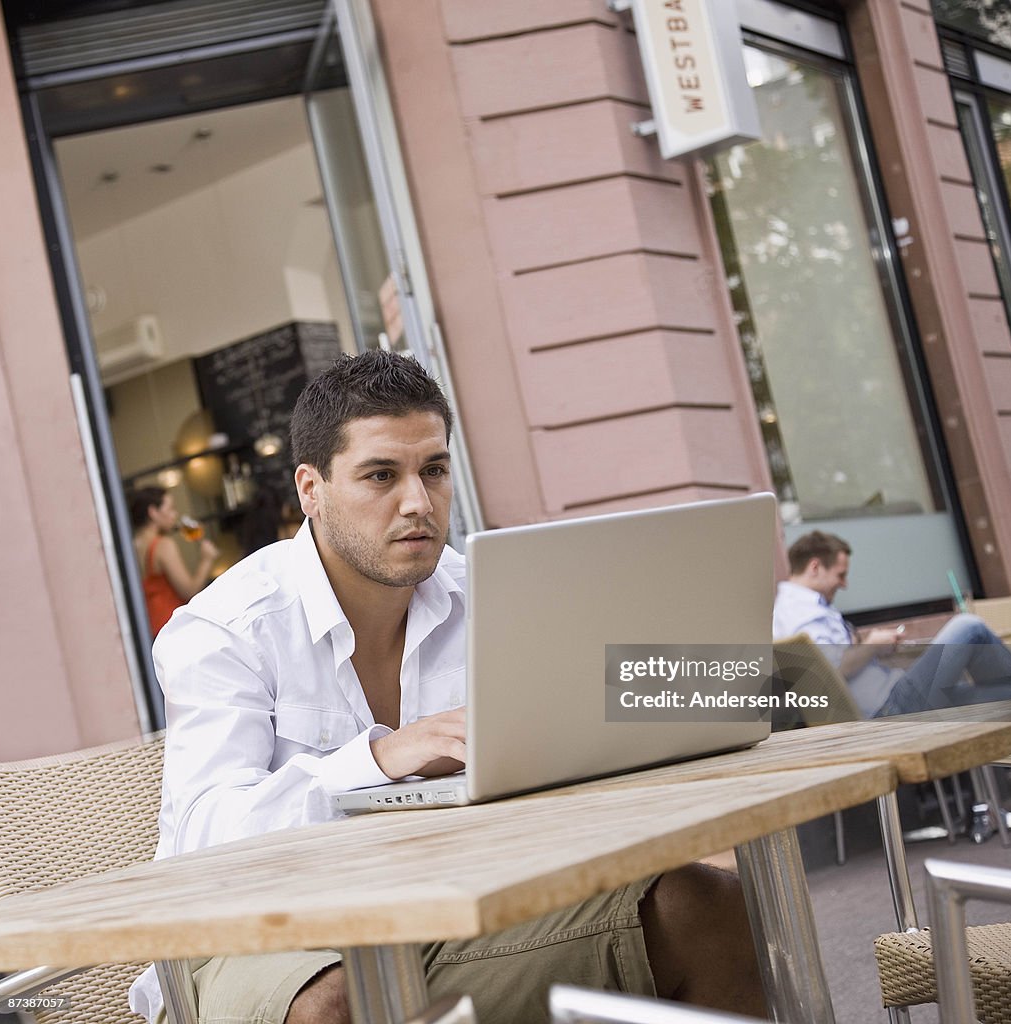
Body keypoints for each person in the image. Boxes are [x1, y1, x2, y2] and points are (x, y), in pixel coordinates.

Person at [129, 350, 765, 1024]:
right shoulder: (224, 631)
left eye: (433, 470)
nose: (417, 502)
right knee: (338, 1005)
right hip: (250, 938)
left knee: (709, 908)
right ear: (310, 490)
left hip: (438, 921)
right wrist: (377, 762)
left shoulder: (489, 595)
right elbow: (204, 838)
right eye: (381, 475)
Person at [773, 530, 1011, 717]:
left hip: (896, 698)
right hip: (890, 709)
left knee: (1009, 697)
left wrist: (868, 643)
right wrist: (872, 646)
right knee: (969, 626)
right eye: (840, 575)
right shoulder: (798, 611)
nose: (844, 584)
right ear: (815, 567)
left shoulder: (807, 608)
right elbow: (829, 671)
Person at [129, 487, 219, 636]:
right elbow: (189, 591)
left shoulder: (132, 546)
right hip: (172, 628)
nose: (175, 515)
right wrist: (206, 560)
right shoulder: (163, 545)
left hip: (150, 630)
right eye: (170, 509)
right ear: (153, 512)